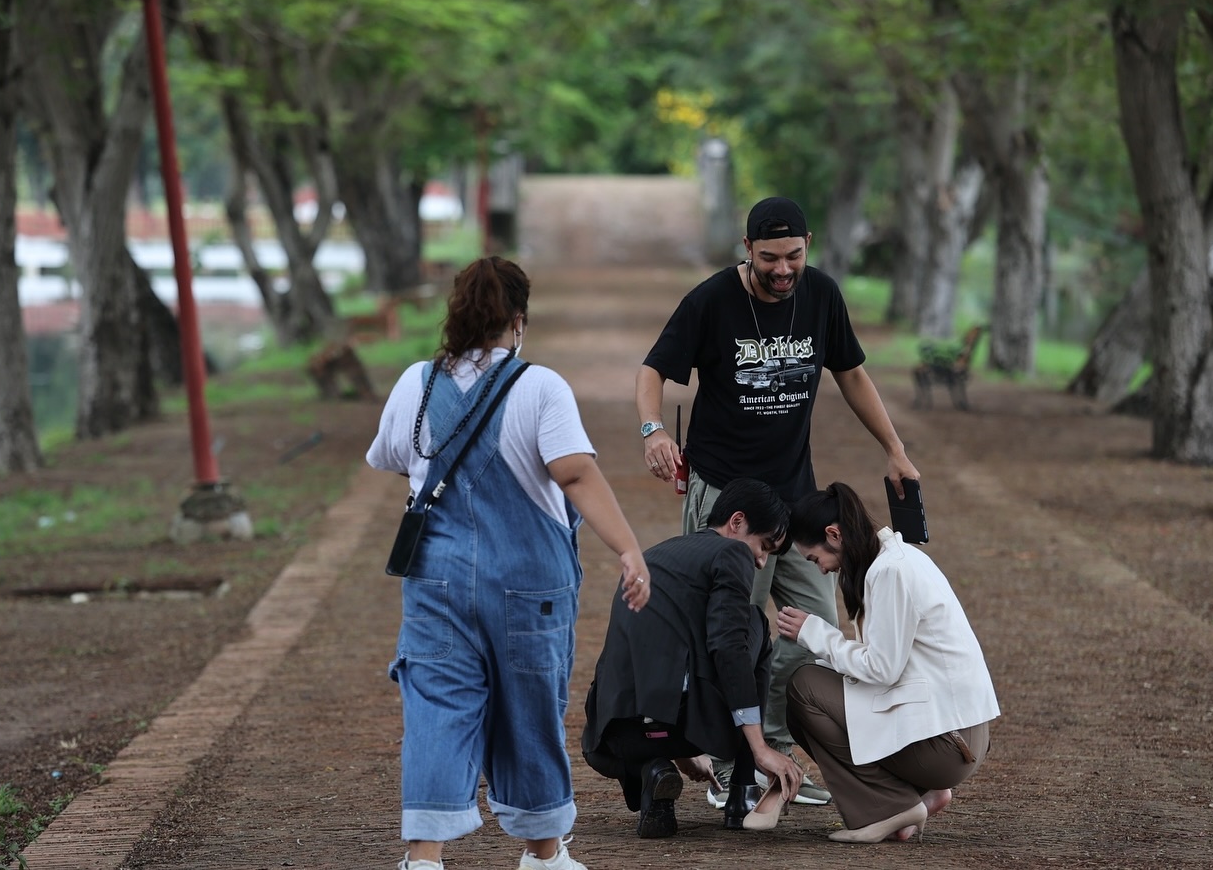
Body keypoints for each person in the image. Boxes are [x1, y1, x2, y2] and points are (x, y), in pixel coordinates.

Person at [367, 256, 651, 870]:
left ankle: (423, 859)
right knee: (530, 711)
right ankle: (544, 854)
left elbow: (396, 459)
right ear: (517, 321)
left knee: (436, 709)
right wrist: (628, 548)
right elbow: (574, 472)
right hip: (530, 586)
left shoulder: (414, 383)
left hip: (435, 582)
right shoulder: (539, 386)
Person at [636, 195, 920, 806]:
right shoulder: (712, 300)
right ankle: (721, 760)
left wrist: (894, 448)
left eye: (794, 256)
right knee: (729, 629)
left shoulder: (820, 295)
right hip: (727, 503)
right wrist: (653, 430)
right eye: (770, 259)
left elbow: (851, 374)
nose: (784, 270)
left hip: (796, 498)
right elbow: (653, 370)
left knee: (815, 627)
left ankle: (772, 752)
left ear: (809, 246)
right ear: (748, 251)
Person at [776, 481, 1000, 843]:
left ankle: (889, 807)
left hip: (948, 746)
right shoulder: (896, 560)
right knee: (811, 694)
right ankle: (916, 796)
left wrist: (817, 634)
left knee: (804, 687)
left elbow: (882, 669)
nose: (820, 571)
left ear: (834, 534)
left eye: (815, 559)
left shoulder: (889, 572)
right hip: (955, 733)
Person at [580, 478, 803, 838]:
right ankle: (742, 791)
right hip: (682, 724)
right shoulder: (732, 554)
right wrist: (760, 747)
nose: (762, 561)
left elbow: (659, 653)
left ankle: (654, 769)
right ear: (737, 521)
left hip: (610, 736)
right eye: (763, 546)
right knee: (753, 623)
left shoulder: (656, 555)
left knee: (717, 630)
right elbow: (728, 648)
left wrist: (680, 756)